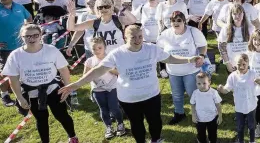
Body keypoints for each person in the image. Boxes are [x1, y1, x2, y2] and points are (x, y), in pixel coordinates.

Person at [59, 25, 204, 143]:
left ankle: (156, 139)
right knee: (137, 124)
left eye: (140, 36)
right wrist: (76, 84)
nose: (137, 40)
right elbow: (98, 70)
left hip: (152, 94)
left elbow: (170, 58)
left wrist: (189, 59)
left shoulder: (151, 49)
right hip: (129, 98)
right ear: (125, 37)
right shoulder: (117, 53)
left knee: (155, 122)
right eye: (133, 37)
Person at [1, 24, 79, 143]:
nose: (31, 39)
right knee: (41, 119)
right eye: (27, 36)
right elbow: (13, 78)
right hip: (32, 93)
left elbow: (63, 70)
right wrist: (20, 98)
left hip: (53, 90)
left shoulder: (51, 50)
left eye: (35, 35)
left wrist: (68, 88)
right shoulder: (15, 55)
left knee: (62, 115)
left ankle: (73, 137)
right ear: (22, 37)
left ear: (41, 35)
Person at [157, 11, 207, 124]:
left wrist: (202, 56)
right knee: (176, 94)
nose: (176, 23)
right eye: (173, 21)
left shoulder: (193, 32)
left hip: (191, 70)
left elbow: (203, 45)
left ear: (184, 21)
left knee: (193, 93)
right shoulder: (165, 34)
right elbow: (159, 50)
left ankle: (198, 113)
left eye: (179, 20)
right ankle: (179, 113)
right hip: (173, 71)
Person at [217, 53, 260, 143]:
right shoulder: (232, 76)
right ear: (235, 65)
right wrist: (221, 89)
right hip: (239, 107)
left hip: (251, 106)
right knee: (240, 126)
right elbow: (226, 89)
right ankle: (241, 141)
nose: (241, 66)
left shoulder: (253, 74)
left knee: (252, 126)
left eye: (244, 64)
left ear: (248, 64)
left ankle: (252, 141)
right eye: (239, 64)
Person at [84, 37, 126, 139]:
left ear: (104, 47)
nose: (97, 51)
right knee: (103, 109)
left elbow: (119, 72)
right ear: (90, 49)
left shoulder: (111, 58)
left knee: (114, 107)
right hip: (98, 89)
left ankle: (120, 124)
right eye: (94, 49)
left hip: (112, 87)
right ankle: (109, 127)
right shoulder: (89, 61)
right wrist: (93, 72)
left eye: (100, 48)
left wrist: (111, 70)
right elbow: (85, 76)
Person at [66, 0, 136, 53]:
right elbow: (71, 28)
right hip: (103, 58)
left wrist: (121, 8)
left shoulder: (118, 20)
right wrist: (72, 14)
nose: (103, 9)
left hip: (120, 54)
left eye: (106, 6)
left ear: (111, 7)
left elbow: (133, 20)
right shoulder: (94, 22)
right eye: (100, 7)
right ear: (97, 9)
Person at [218, 3, 254, 73]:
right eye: (234, 14)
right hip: (232, 65)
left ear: (243, 14)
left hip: (248, 64)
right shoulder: (226, 28)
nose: (237, 16)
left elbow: (253, 47)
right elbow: (221, 47)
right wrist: (227, 63)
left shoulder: (250, 28)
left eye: (240, 13)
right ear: (231, 15)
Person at [190, 72, 222, 143]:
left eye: (204, 83)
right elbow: (192, 104)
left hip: (212, 118)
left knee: (213, 135)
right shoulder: (195, 93)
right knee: (201, 135)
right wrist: (193, 115)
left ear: (209, 82)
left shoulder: (213, 92)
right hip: (200, 119)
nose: (201, 86)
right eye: (199, 84)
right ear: (196, 83)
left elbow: (218, 105)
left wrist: (220, 116)